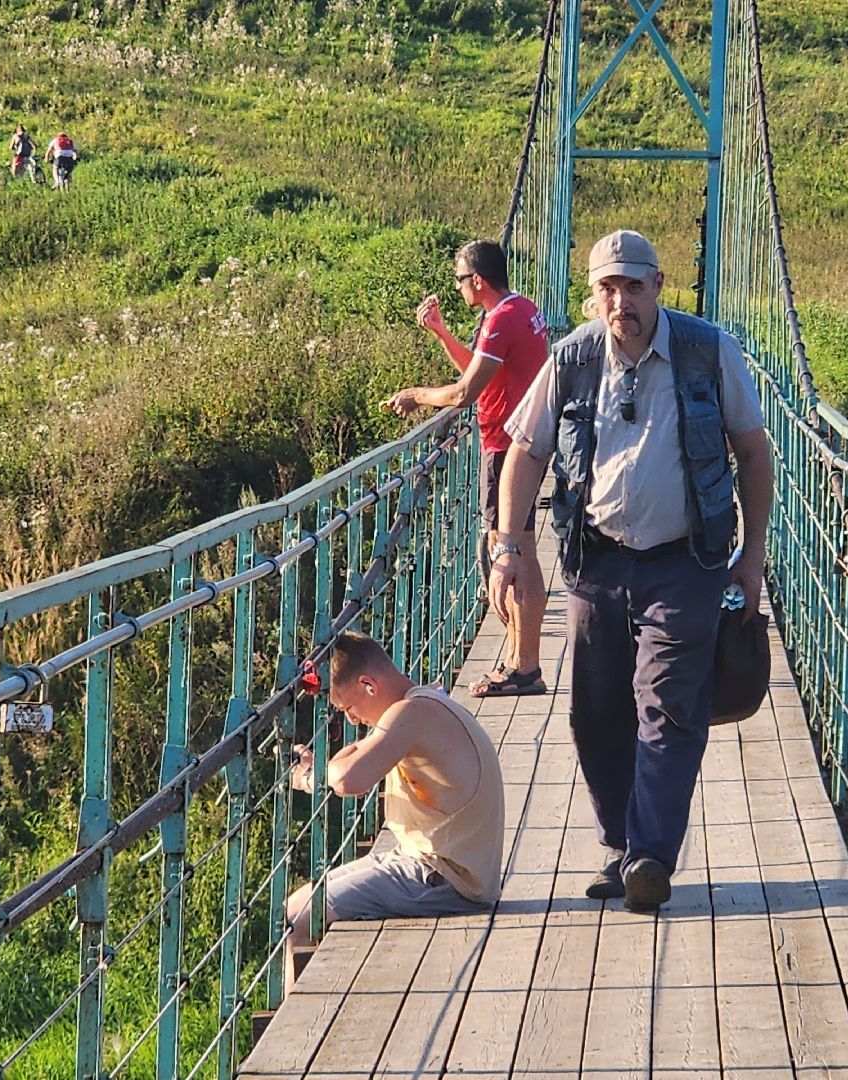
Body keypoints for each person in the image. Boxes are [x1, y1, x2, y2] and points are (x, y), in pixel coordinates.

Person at [489, 229, 774, 913]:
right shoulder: (574, 357)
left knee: (668, 707)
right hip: (596, 560)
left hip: (688, 561)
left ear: (659, 285)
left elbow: (754, 453)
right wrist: (510, 547)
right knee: (596, 714)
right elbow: (524, 454)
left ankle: (650, 855)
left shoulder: (710, 351)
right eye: (608, 289)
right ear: (593, 294)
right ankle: (621, 846)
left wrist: (754, 554)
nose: (622, 301)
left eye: (634, 286)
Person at [282, 631, 504, 990]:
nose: (352, 720)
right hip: (443, 864)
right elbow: (346, 762)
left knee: (296, 918)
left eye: (348, 708)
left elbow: (350, 780)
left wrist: (310, 774)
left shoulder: (410, 714)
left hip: (442, 876)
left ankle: (293, 1032)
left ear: (368, 684)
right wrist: (324, 769)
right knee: (299, 902)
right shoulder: (423, 702)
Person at [383, 239, 550, 697]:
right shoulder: (520, 309)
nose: (457, 288)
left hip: (504, 447)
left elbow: (462, 394)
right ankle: (522, 661)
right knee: (522, 549)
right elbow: (480, 372)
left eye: (459, 279)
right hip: (523, 440)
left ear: (477, 280)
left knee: (513, 550)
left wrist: (416, 395)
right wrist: (440, 331)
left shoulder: (500, 320)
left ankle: (524, 667)